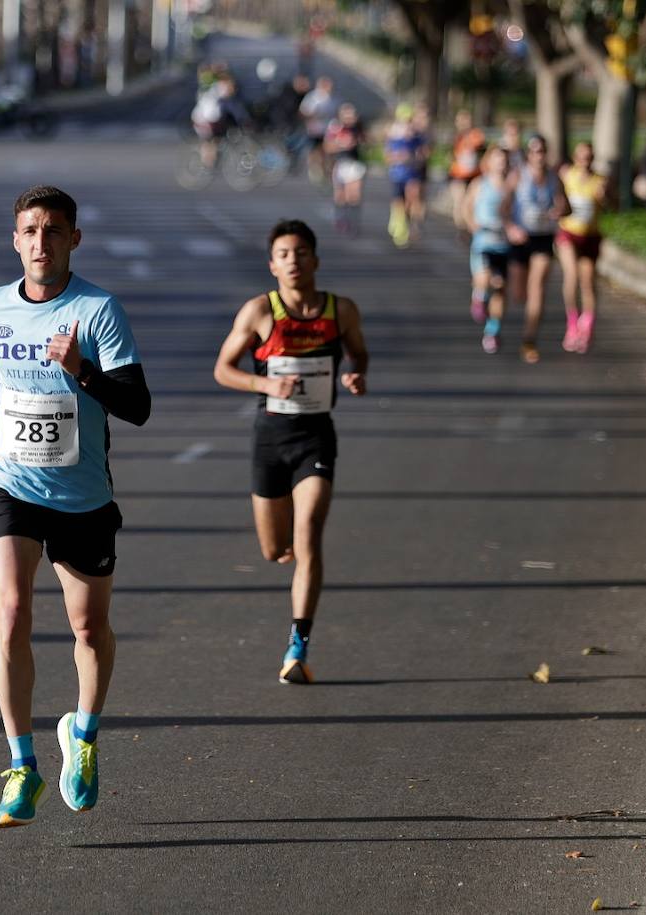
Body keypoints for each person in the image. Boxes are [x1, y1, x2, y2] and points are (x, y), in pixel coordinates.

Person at [0, 185, 151, 829]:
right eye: (30, 231)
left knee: (88, 629)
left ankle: (82, 736)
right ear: (15, 240)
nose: (41, 242)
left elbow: (137, 406)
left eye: (54, 231)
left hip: (84, 497)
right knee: (11, 613)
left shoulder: (98, 310)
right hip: (11, 484)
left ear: (73, 240)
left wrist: (83, 370)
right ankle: (21, 766)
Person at [213, 220, 369, 684]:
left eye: (302, 252)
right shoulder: (261, 311)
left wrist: (355, 374)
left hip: (316, 436)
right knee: (274, 548)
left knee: (309, 534)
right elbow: (223, 369)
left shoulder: (341, 311)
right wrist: (265, 382)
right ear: (272, 264)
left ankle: (297, 647)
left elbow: (360, 354)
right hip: (270, 438)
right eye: (284, 253)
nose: (294, 260)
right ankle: (282, 548)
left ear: (316, 260)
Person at [505, 134, 562, 364]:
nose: (539, 155)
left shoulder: (554, 178)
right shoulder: (518, 175)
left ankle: (529, 340)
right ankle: (526, 309)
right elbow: (504, 207)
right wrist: (510, 228)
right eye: (535, 151)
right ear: (528, 154)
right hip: (521, 237)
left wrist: (559, 211)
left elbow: (564, 204)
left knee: (537, 289)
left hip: (544, 237)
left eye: (542, 151)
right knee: (520, 295)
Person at [555, 141, 610, 354]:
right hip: (568, 233)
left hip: (591, 236)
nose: (585, 161)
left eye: (589, 157)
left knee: (588, 281)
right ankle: (571, 323)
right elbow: (557, 197)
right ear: (575, 157)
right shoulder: (566, 175)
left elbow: (614, 205)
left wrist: (605, 198)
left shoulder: (600, 181)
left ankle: (586, 325)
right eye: (581, 157)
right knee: (571, 275)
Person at [466, 146, 514, 354]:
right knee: (485, 279)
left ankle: (492, 330)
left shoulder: (512, 187)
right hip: (483, 241)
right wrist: (472, 224)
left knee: (501, 288)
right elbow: (466, 207)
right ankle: (479, 297)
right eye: (497, 159)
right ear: (489, 161)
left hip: (504, 243)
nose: (501, 163)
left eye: (504, 160)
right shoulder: (480, 184)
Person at [383, 103, 430, 248]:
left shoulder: (418, 137)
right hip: (398, 174)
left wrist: (415, 158)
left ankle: (408, 223)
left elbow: (425, 154)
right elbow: (387, 157)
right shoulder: (393, 137)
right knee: (399, 203)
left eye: (409, 120)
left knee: (413, 197)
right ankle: (398, 223)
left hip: (412, 173)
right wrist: (398, 157)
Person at [324, 103, 367, 236]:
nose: (349, 118)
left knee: (354, 195)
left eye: (352, 115)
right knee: (340, 196)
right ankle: (341, 218)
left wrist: (359, 142)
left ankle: (354, 223)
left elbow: (366, 143)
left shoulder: (358, 128)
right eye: (346, 115)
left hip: (355, 164)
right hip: (340, 164)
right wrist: (341, 145)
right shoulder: (335, 128)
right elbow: (327, 147)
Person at [446, 109, 486, 240]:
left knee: (472, 202)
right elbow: (449, 155)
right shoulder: (454, 136)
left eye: (467, 120)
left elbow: (482, 151)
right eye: (461, 120)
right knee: (459, 201)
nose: (464, 123)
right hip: (457, 174)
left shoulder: (477, 135)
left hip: (474, 174)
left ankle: (470, 225)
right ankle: (462, 228)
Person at [299, 76, 338, 184]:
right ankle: (315, 168)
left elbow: (336, 113)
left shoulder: (332, 99)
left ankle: (327, 170)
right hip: (315, 128)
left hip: (328, 129)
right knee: (315, 150)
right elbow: (304, 112)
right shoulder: (313, 97)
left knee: (326, 150)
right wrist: (313, 115)